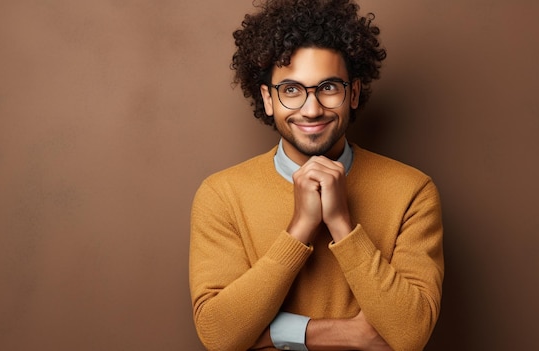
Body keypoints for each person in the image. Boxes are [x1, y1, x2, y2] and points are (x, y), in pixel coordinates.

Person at [189, 0, 444, 350]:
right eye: (291, 90)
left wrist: (341, 223)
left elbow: (409, 333)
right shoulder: (221, 194)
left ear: (352, 93)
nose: (312, 109)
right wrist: (300, 229)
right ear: (267, 98)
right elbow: (220, 335)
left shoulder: (412, 191)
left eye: (328, 88)